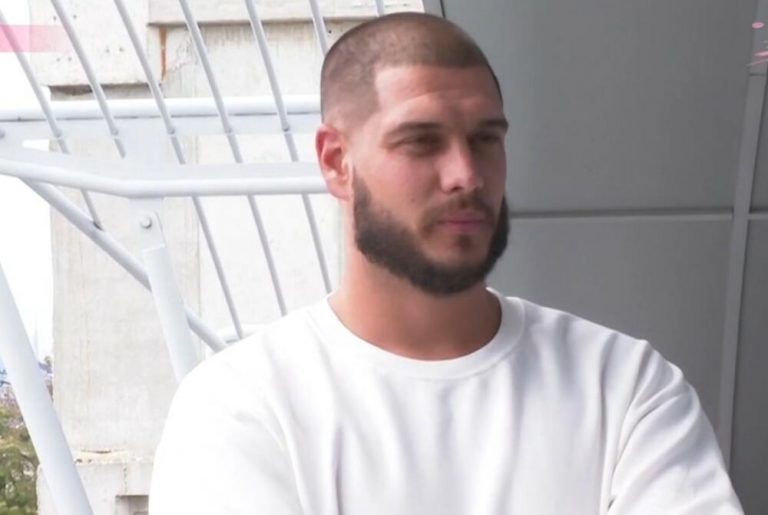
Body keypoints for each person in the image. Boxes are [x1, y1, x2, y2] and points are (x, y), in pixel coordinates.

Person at [149, 12, 743, 514]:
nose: (467, 175)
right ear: (336, 161)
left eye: (486, 139)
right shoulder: (241, 407)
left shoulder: (625, 387)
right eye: (421, 141)